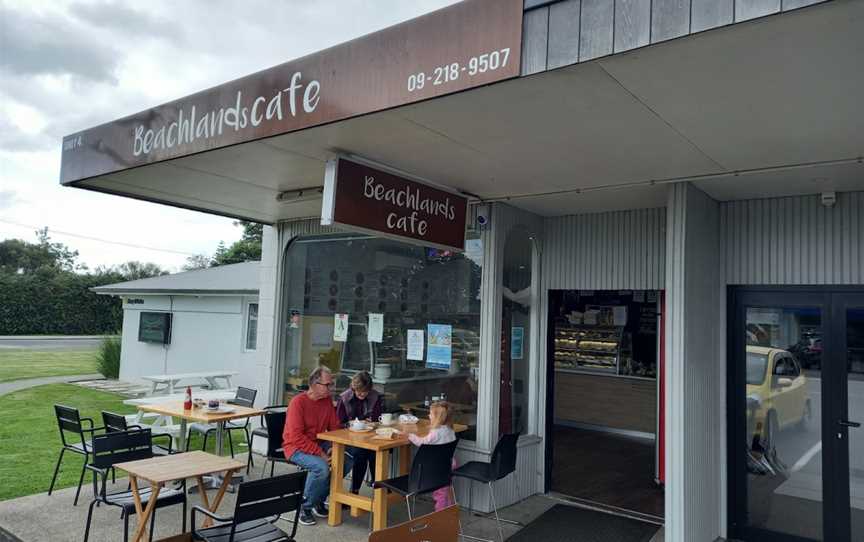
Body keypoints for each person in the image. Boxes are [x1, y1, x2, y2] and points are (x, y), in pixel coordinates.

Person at [283, 366, 353, 526]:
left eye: (331, 384)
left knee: (347, 461)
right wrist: (321, 453)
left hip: (318, 443)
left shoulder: (326, 401)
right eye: (327, 384)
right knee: (321, 467)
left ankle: (318, 499)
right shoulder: (297, 403)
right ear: (314, 384)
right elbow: (295, 437)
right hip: (295, 448)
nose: (331, 388)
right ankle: (304, 506)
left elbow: (334, 427)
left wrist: (333, 446)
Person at [335, 371, 383, 494]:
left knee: (376, 451)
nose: (362, 394)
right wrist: (351, 423)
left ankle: (378, 486)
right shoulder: (345, 398)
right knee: (361, 453)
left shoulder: (374, 396)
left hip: (369, 434)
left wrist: (372, 421)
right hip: (348, 436)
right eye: (359, 391)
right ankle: (355, 489)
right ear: (353, 388)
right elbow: (338, 423)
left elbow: (377, 417)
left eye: (365, 391)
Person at [408, 400, 457, 511]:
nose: (428, 415)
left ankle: (440, 514)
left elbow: (422, 443)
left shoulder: (435, 433)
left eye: (430, 414)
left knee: (440, 493)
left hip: (437, 468)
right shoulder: (450, 430)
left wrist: (410, 436)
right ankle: (449, 510)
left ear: (437, 418)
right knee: (446, 489)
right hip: (449, 464)